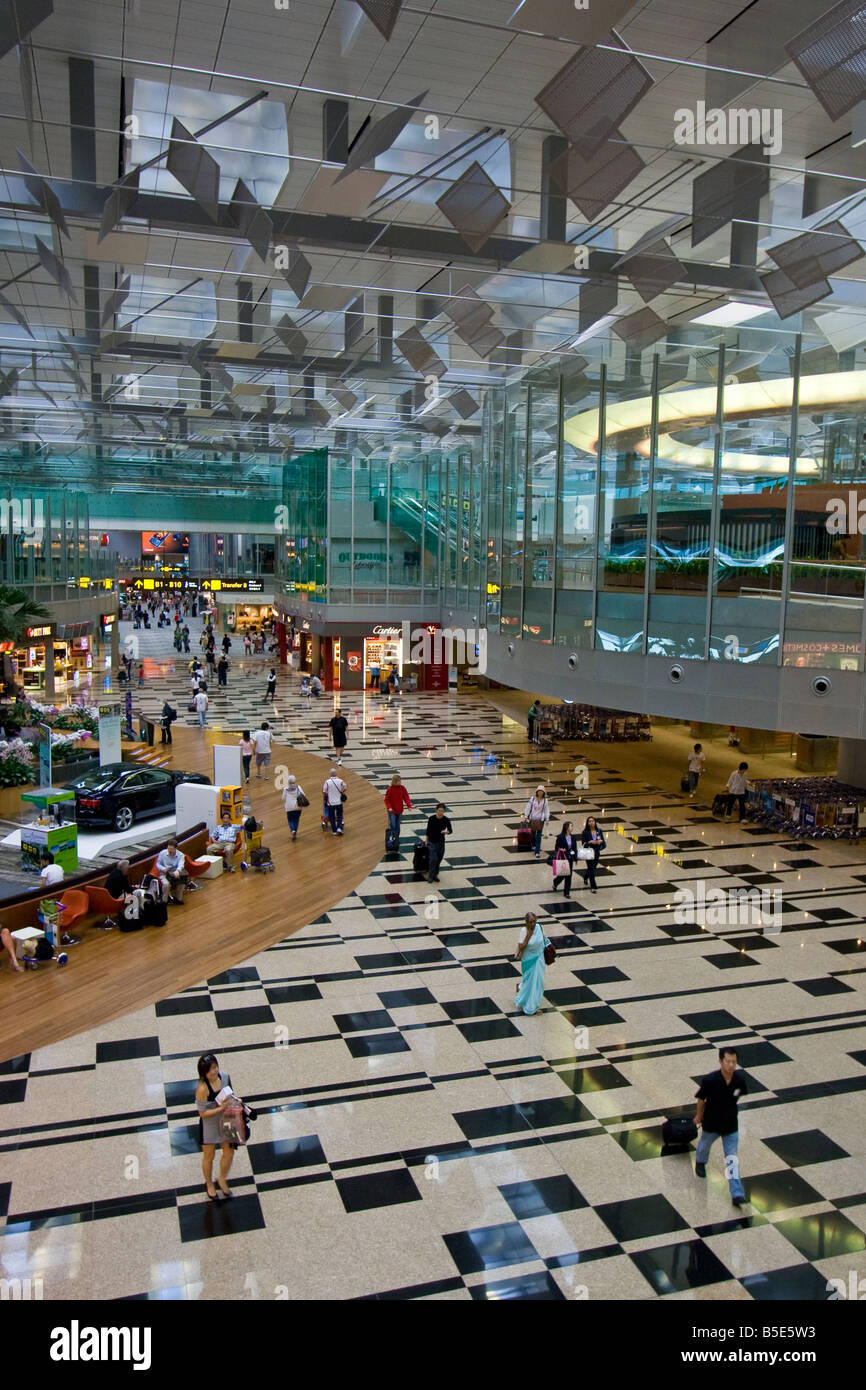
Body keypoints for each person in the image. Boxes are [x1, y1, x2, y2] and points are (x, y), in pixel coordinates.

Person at [694, 1046, 749, 1207]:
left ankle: (737, 1194)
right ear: (720, 1061)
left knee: (732, 1159)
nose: (731, 1065)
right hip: (711, 1122)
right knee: (704, 1145)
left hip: (731, 1124)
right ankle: (700, 1161)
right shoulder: (710, 1080)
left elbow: (738, 1096)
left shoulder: (739, 1080)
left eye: (734, 1062)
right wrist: (699, 1116)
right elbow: (701, 1099)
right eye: (728, 1061)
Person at [195, 1053, 237, 1200]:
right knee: (209, 1156)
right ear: (203, 1073)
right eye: (209, 1070)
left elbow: (231, 1095)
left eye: (214, 1067)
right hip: (210, 1124)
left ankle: (222, 1179)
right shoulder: (202, 1089)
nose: (213, 1072)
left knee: (229, 1152)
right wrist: (220, 1108)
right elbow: (202, 1113)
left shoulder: (224, 1077)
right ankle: (209, 1184)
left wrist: (235, 1102)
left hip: (227, 1119)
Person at [514, 911, 548, 1016]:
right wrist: (528, 935)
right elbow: (521, 947)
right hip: (529, 961)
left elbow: (544, 939)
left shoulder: (539, 927)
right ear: (526, 922)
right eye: (530, 922)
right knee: (530, 982)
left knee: (539, 983)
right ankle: (531, 1007)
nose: (533, 924)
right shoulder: (524, 931)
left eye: (534, 921)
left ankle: (521, 988)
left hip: (539, 959)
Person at [425, 802, 452, 883]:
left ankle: (435, 875)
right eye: (439, 810)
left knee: (439, 859)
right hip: (432, 842)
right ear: (436, 810)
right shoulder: (431, 818)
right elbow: (428, 830)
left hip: (441, 842)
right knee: (433, 859)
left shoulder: (446, 820)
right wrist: (426, 840)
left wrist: (446, 832)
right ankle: (430, 876)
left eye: (442, 811)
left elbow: (450, 830)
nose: (440, 812)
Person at [523, 785, 550, 859]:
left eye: (542, 791)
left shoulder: (545, 801)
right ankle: (534, 845)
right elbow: (528, 807)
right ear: (537, 792)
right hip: (533, 819)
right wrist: (526, 816)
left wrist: (547, 818)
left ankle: (537, 851)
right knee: (533, 833)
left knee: (539, 835)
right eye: (539, 791)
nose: (540, 793)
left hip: (541, 820)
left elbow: (546, 810)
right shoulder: (532, 799)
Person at [552, 819, 577, 898]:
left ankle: (567, 892)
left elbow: (575, 848)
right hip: (563, 857)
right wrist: (561, 849)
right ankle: (556, 882)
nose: (572, 827)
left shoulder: (573, 837)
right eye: (571, 826)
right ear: (566, 827)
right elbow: (556, 847)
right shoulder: (560, 837)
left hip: (570, 858)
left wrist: (575, 858)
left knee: (569, 875)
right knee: (563, 874)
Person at [580, 815, 605, 892]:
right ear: (587, 823)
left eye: (592, 821)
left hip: (596, 851)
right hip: (589, 852)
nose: (591, 823)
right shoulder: (585, 832)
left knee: (593, 867)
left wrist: (600, 841)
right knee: (591, 868)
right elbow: (583, 844)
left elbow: (602, 840)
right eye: (589, 821)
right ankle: (593, 886)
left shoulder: (599, 831)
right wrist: (590, 842)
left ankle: (585, 876)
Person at [384, 773, 412, 844]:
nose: (400, 782)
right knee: (393, 825)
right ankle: (392, 839)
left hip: (399, 810)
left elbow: (406, 797)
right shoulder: (390, 789)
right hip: (392, 811)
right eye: (398, 781)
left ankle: (396, 839)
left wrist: (409, 805)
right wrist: (389, 808)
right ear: (394, 781)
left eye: (400, 781)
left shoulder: (402, 788)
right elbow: (386, 800)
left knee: (397, 826)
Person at [323, 769, 347, 835]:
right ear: (336, 774)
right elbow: (345, 787)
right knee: (339, 815)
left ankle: (334, 830)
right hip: (339, 802)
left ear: (330, 774)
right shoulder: (340, 781)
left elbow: (324, 791)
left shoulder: (327, 782)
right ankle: (339, 828)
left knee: (332, 816)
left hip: (331, 802)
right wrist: (342, 792)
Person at [282, 774, 306, 841]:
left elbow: (283, 798)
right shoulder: (298, 787)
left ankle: (292, 830)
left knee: (290, 820)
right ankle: (295, 831)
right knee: (296, 819)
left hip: (289, 807)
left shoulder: (285, 789)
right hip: (298, 806)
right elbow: (303, 795)